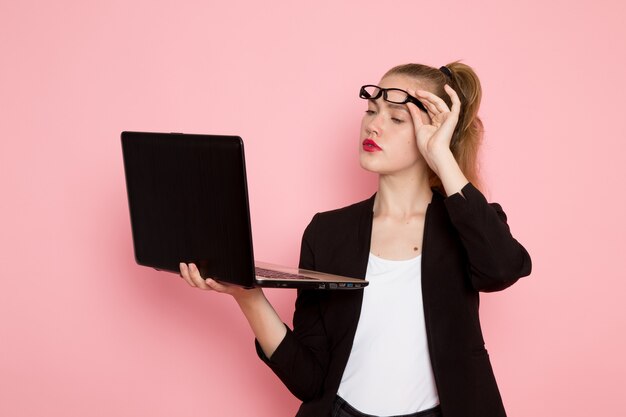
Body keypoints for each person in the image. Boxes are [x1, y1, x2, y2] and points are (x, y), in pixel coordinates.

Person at [179, 62, 532, 417]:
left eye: (396, 118)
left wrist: (441, 156)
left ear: (437, 133)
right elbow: (309, 380)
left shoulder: (468, 223)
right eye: (370, 111)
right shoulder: (327, 232)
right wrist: (247, 294)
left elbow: (502, 269)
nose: (373, 124)